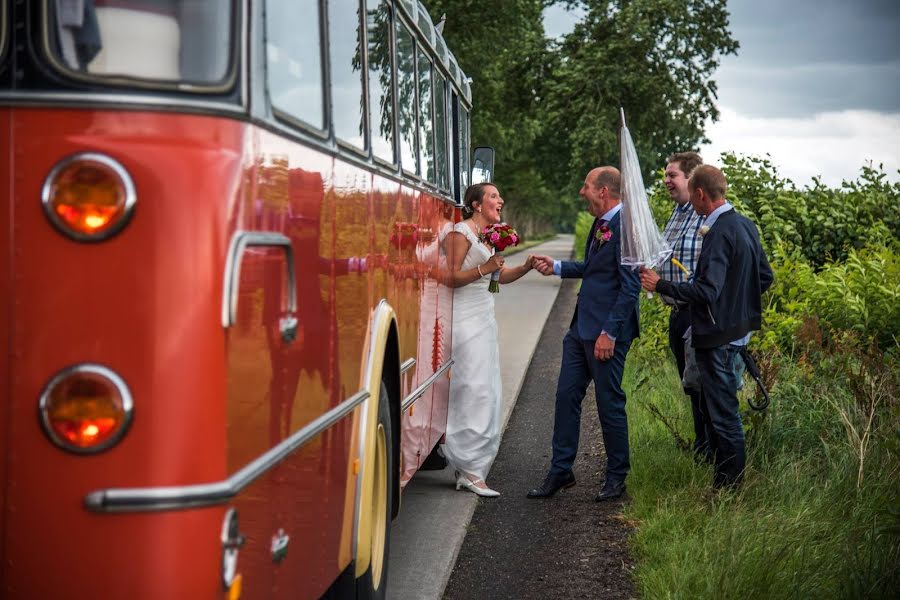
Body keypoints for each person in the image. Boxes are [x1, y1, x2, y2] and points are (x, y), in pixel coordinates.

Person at [640, 165, 773, 489]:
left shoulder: (717, 232)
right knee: (722, 409)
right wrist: (737, 309)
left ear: (700, 194)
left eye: (695, 202)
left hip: (716, 337)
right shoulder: (746, 225)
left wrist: (661, 286)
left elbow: (706, 292)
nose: (695, 210)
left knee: (723, 413)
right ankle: (726, 480)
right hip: (738, 333)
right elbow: (765, 277)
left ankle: (728, 486)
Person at [528, 167, 641, 502]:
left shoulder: (626, 228)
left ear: (604, 191)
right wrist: (558, 267)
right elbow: (595, 269)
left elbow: (630, 287)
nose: (582, 192)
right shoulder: (601, 223)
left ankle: (617, 476)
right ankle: (561, 470)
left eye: (587, 187)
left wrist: (610, 333)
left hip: (606, 333)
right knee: (565, 397)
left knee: (609, 404)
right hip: (580, 329)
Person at [442, 183, 534, 497]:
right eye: (494, 196)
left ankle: (467, 466)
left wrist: (525, 266)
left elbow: (498, 276)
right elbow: (450, 277)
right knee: (473, 391)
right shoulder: (460, 233)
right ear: (476, 204)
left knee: (487, 390)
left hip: (484, 318)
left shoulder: (489, 235)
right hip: (464, 321)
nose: (501, 200)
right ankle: (469, 470)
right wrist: (485, 267)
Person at [658, 151, 712, 463]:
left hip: (697, 313)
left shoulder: (705, 214)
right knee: (690, 384)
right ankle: (701, 444)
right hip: (677, 313)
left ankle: (711, 450)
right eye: (666, 175)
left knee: (702, 384)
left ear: (691, 179)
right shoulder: (678, 213)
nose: (666, 181)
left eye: (672, 175)